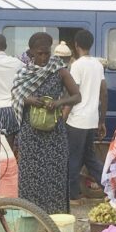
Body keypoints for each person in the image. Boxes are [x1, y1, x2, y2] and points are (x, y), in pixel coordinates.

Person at [11, 32, 81, 214]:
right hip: (30, 134)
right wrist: (28, 100)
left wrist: (58, 103)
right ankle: (31, 221)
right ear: (31, 53)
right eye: (39, 54)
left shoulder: (60, 70)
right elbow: (16, 96)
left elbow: (77, 96)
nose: (43, 58)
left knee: (54, 178)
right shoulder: (24, 72)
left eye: (46, 53)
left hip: (54, 134)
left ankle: (55, 224)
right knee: (30, 179)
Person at [66, 29, 108, 200]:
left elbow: (73, 95)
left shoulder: (77, 65)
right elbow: (103, 92)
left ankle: (73, 196)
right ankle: (110, 188)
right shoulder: (98, 65)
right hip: (91, 119)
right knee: (90, 158)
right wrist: (101, 120)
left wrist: (63, 117)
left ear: (76, 45)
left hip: (76, 120)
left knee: (73, 158)